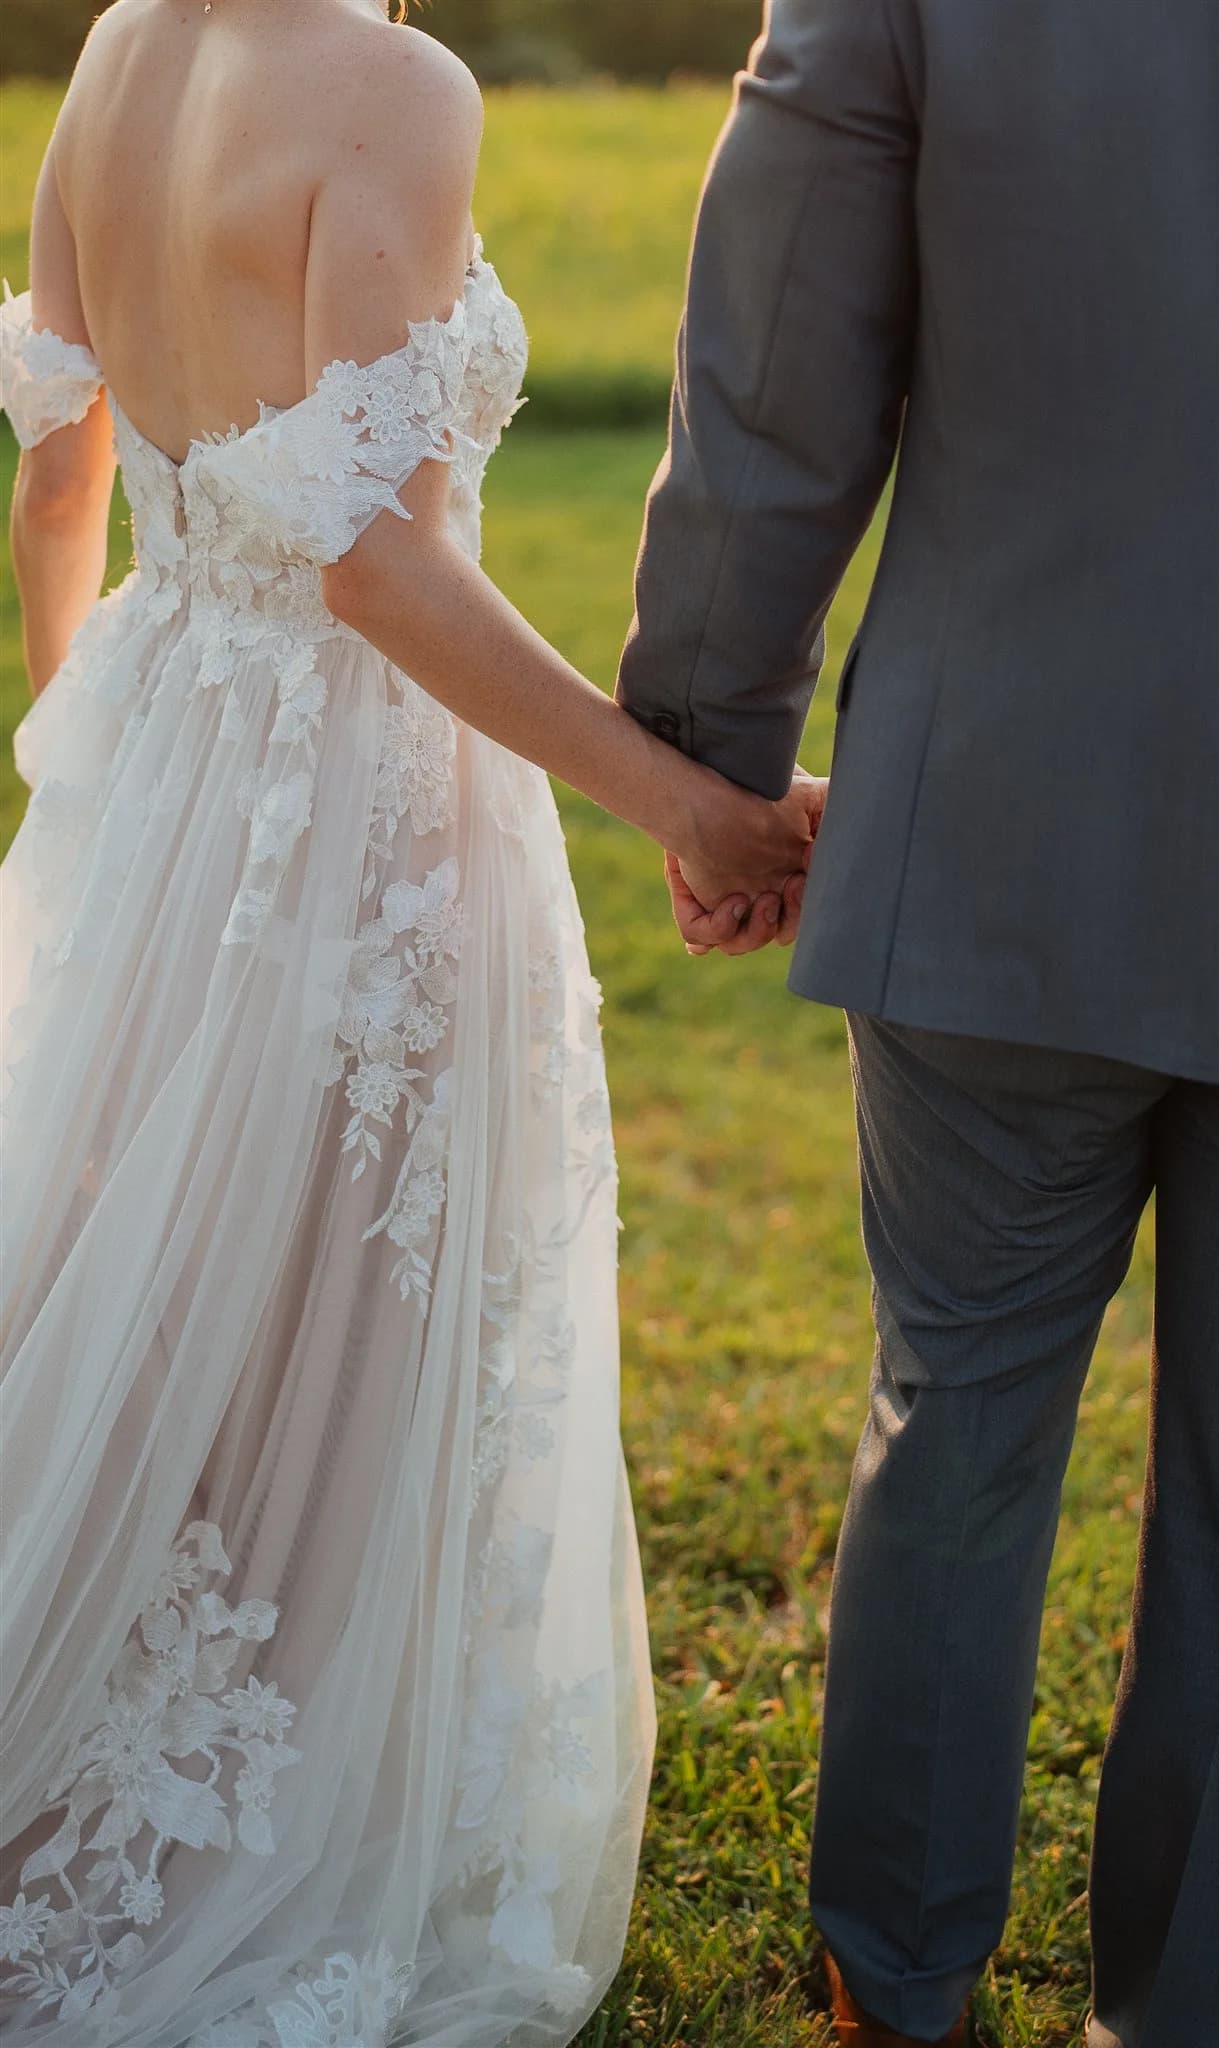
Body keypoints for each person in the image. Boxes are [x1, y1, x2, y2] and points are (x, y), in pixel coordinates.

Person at [0, 1, 821, 2040]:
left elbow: (56, 471)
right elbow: (374, 567)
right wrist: (695, 804)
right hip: (361, 794)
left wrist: (89, 760)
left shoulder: (116, 47)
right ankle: (248, 1814)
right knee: (341, 1329)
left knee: (174, 1286)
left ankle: (148, 1753)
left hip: (157, 748)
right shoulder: (395, 90)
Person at [617, 3, 1219, 2045]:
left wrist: (707, 740)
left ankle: (897, 1998)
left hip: (1002, 807)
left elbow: (774, 346)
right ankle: (1174, 2021)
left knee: (950, 1419)